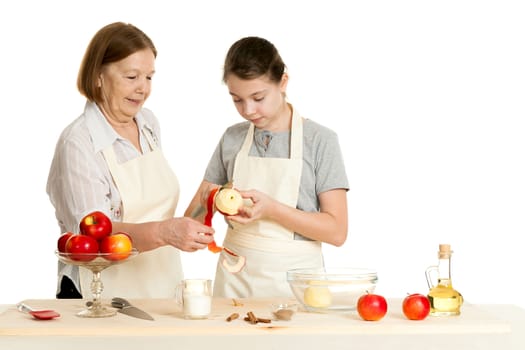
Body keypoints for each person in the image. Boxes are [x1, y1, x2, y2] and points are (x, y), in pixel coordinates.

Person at [47, 22, 215, 299]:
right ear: (99, 75)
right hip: (99, 292)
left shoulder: (147, 123)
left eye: (149, 77)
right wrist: (166, 232)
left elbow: (159, 211)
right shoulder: (78, 142)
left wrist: (209, 204)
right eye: (131, 77)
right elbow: (93, 236)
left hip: (159, 282)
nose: (143, 89)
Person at [184, 36, 349, 298]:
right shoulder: (232, 138)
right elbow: (193, 216)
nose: (248, 110)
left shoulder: (320, 141)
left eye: (258, 97)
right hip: (234, 281)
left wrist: (272, 209)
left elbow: (337, 231)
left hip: (296, 283)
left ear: (283, 82)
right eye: (237, 99)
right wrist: (197, 219)